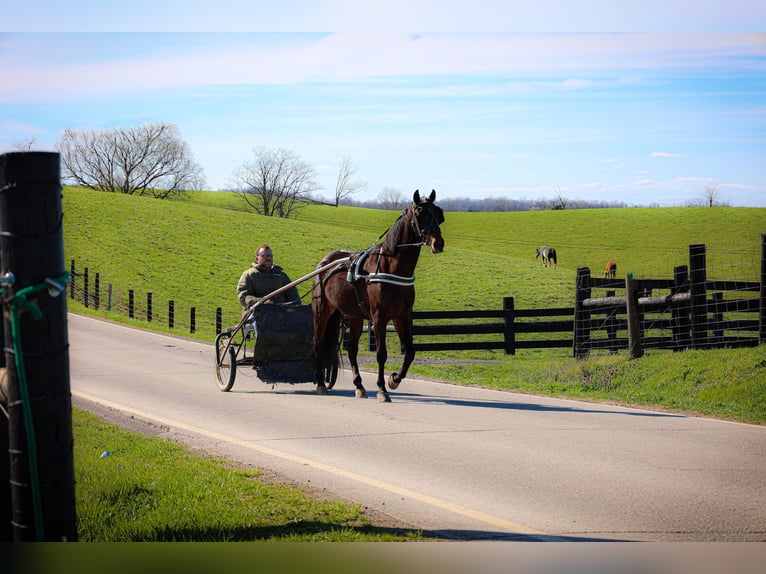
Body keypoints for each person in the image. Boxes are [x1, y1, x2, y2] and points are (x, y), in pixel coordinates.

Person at [237, 244, 300, 311]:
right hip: (258, 313)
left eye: (270, 256)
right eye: (264, 256)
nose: (268, 258)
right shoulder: (248, 275)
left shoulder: (281, 275)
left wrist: (296, 308)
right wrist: (260, 302)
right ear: (257, 259)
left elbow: (292, 293)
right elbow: (243, 296)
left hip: (282, 313)